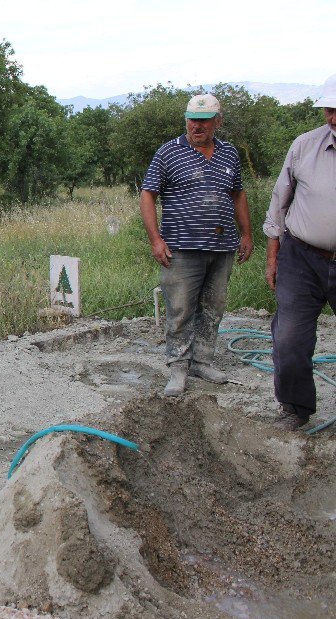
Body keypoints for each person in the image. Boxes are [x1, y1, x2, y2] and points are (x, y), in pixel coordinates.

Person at [140, 94, 253, 397]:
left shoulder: (229, 154)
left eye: (203, 120)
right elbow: (148, 194)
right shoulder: (168, 152)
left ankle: (202, 360)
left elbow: (238, 194)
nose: (196, 125)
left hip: (222, 246)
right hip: (181, 248)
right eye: (192, 118)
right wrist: (155, 240)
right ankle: (178, 367)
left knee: (213, 307)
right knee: (180, 309)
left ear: (218, 121)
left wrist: (246, 234)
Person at [263, 74, 336, 431]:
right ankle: (295, 408)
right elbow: (279, 202)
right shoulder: (305, 146)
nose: (333, 118)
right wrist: (273, 256)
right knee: (290, 337)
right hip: (302, 257)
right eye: (329, 109)